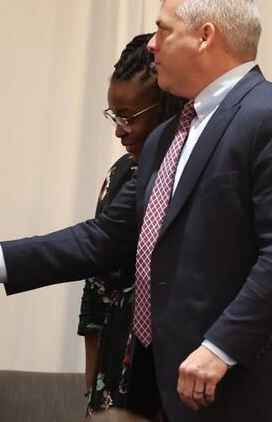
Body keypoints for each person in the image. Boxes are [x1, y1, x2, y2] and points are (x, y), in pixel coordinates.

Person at [0, 0, 272, 421]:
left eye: (163, 29)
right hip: (168, 384)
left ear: (206, 35)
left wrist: (222, 345)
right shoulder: (167, 136)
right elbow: (106, 238)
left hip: (248, 385)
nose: (151, 43)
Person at [79, 33, 184, 418]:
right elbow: (96, 286)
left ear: (167, 108)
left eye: (129, 118)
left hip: (178, 366)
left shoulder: (192, 174)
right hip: (116, 362)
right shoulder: (120, 175)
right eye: (114, 116)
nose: (119, 131)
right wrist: (91, 391)